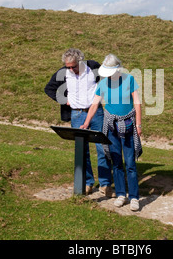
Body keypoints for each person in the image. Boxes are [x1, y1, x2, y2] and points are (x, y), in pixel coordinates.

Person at [44, 48, 114, 197]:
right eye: (68, 66)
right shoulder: (62, 73)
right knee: (82, 151)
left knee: (103, 148)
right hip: (76, 114)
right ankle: (87, 183)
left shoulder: (93, 66)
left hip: (96, 113)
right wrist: (64, 100)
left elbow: (109, 76)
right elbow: (49, 88)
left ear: (80, 61)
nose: (70, 69)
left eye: (73, 66)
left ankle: (105, 184)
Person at [80, 54, 142, 211]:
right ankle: (121, 194)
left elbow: (137, 103)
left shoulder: (129, 80)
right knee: (116, 162)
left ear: (118, 69)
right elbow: (94, 105)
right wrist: (86, 123)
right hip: (111, 127)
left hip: (127, 125)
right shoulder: (102, 83)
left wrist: (139, 125)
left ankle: (134, 197)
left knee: (130, 163)